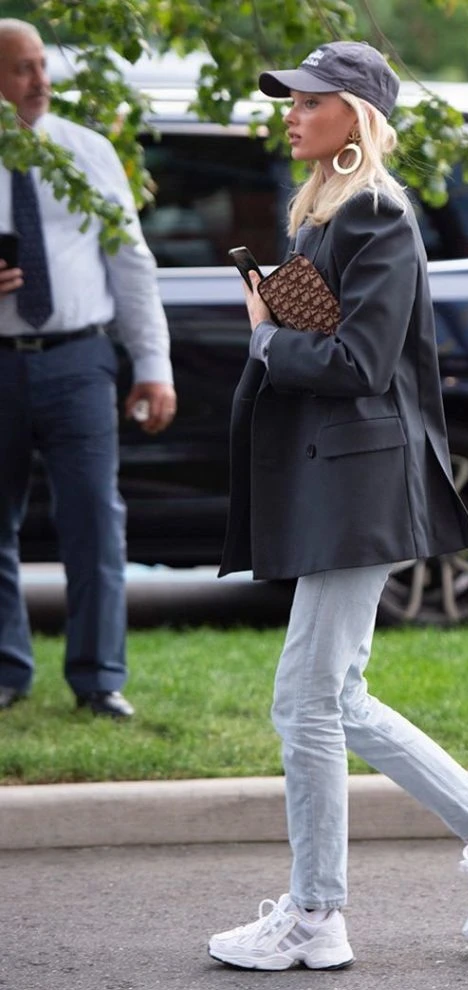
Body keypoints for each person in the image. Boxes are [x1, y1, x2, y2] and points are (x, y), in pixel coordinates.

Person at [208, 41, 468, 971]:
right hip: (341, 478)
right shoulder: (326, 212)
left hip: (360, 482)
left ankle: (316, 915)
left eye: (306, 100)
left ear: (354, 116)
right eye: (288, 100)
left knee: (305, 701)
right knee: (337, 697)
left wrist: (265, 338)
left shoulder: (376, 214)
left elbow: (361, 363)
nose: (289, 113)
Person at [0, 19, 177, 719]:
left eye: (41, 65)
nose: (40, 80)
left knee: (95, 521)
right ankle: (6, 673)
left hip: (79, 360)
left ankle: (99, 679)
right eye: (21, 68)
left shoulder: (87, 152)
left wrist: (153, 365)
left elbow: (131, 262)